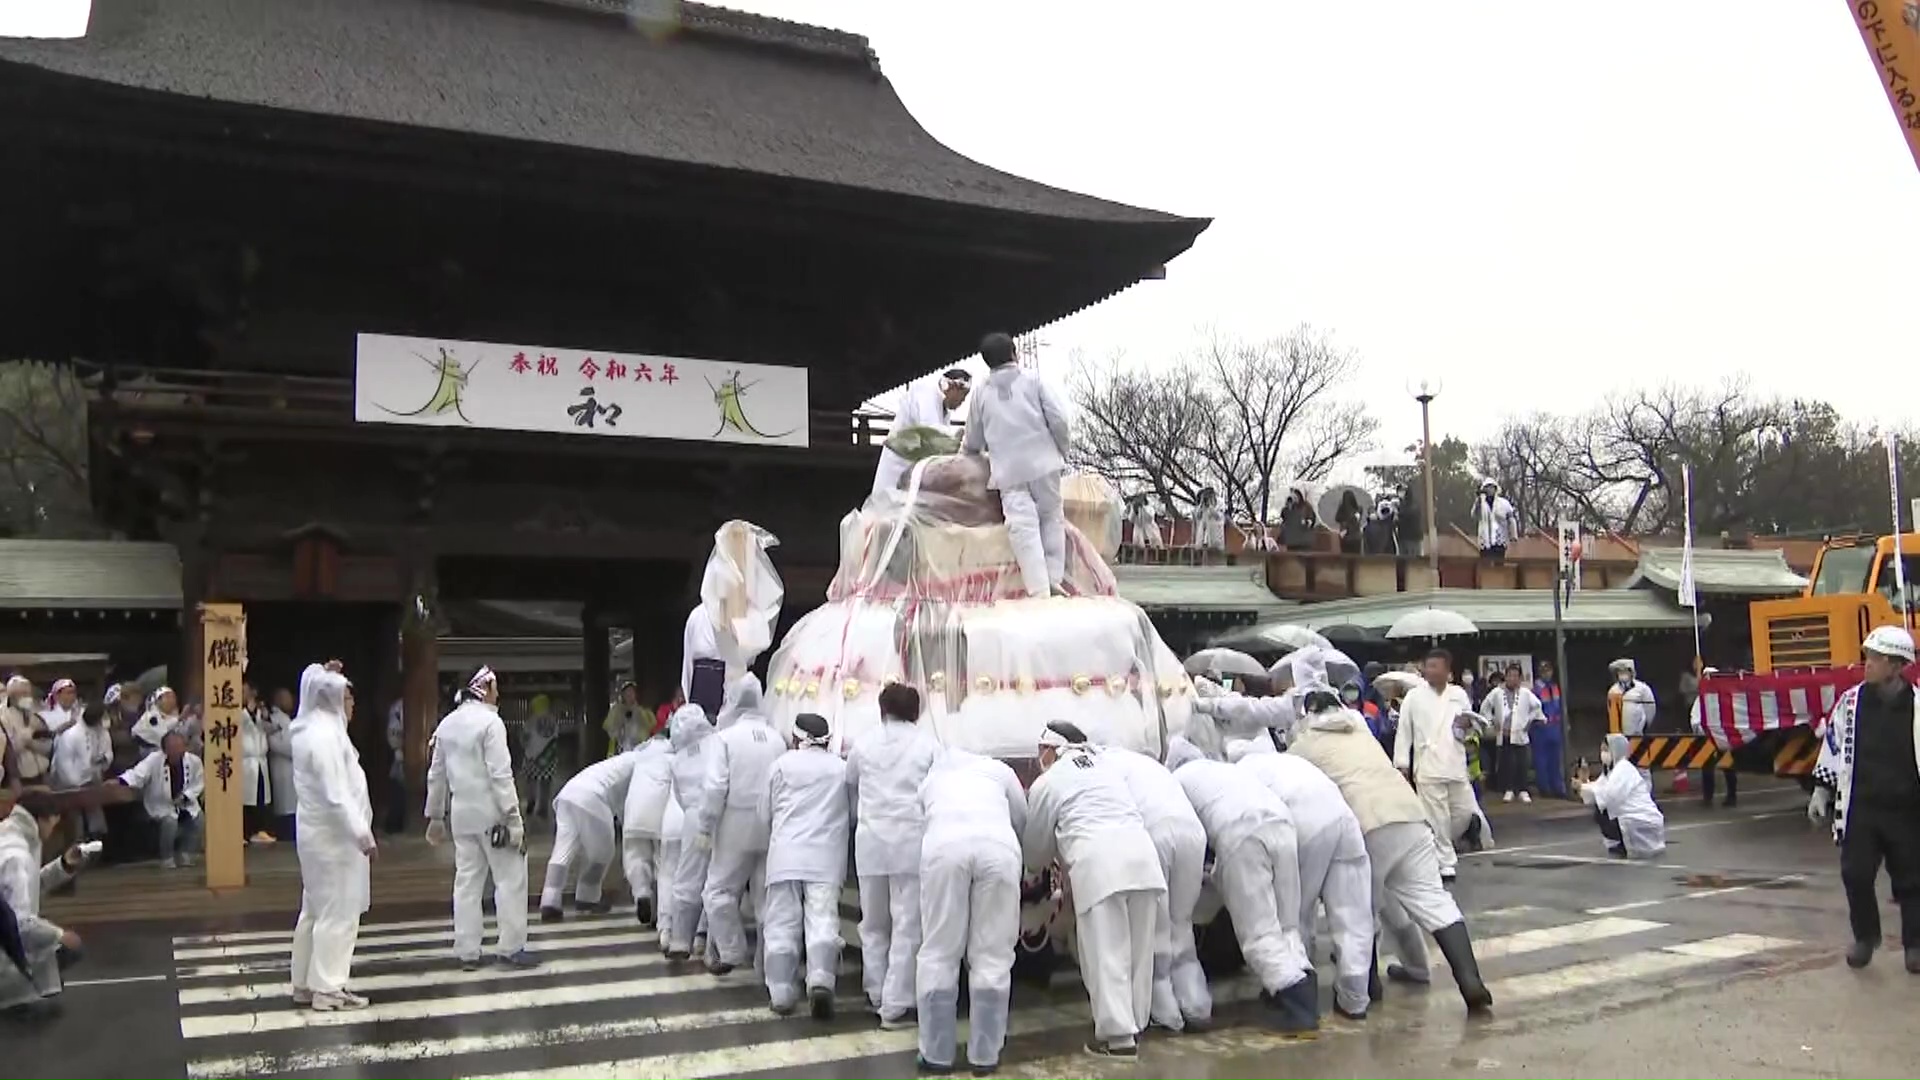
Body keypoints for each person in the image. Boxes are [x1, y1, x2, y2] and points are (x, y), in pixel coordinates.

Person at [1283, 686, 1494, 1013]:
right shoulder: (1360, 727)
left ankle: (1368, 988)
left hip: (1367, 823)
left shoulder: (1303, 745)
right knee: (1433, 901)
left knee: (1358, 911)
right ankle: (1471, 981)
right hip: (1410, 815)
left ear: (1307, 714)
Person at [1025, 724, 1165, 1059]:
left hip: (1100, 866)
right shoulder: (1108, 768)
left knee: (1106, 953)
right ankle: (1134, 1025)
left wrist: (1040, 864)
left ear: (1050, 749)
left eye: (1040, 749)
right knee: (1139, 953)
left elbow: (1035, 852)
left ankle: (1117, 1039)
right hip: (1144, 859)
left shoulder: (1050, 781)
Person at [1162, 736, 1316, 1034]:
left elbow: (1188, 840)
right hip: (1283, 825)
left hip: (1241, 834)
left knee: (1258, 934)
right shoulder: (1224, 770)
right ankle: (1303, 990)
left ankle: (1300, 1010)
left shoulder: (1176, 782)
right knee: (1286, 926)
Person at [1228, 737, 1375, 1021]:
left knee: (1294, 914)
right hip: (1343, 817)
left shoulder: (1241, 772)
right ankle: (1355, 998)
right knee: (1353, 913)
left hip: (1302, 819)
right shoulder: (1288, 761)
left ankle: (1295, 988)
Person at [1810, 625, 1920, 972]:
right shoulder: (1851, 702)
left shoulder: (1919, 706)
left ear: (1896, 665)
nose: (1867, 664)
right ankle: (1865, 937)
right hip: (1862, 807)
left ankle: (1915, 945)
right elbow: (1832, 744)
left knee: (1912, 880)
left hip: (1907, 809)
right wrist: (1820, 791)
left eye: (1875, 658)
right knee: (1855, 874)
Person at [916, 748, 1027, 1075]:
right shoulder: (1000, 771)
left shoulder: (932, 778)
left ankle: (936, 1054)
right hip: (999, 851)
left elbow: (922, 820)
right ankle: (985, 1055)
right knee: (992, 954)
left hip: (943, 850)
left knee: (939, 951)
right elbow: (1021, 816)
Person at [425, 666, 538, 970]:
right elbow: (500, 775)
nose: (498, 695)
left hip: (461, 814)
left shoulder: (446, 725)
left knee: (467, 882)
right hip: (493, 813)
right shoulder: (491, 723)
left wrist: (435, 817)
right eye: (496, 688)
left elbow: (436, 776)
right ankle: (511, 946)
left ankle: (467, 950)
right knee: (510, 878)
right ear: (485, 687)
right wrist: (514, 818)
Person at [1096, 741, 1212, 1033]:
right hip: (1193, 833)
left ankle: (1166, 1012)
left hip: (1154, 832)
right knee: (1181, 921)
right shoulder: (1149, 764)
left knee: (1157, 928)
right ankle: (1197, 1004)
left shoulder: (1105, 765)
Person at [847, 682, 943, 1025]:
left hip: (870, 842)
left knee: (872, 923)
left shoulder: (863, 743)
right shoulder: (929, 746)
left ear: (882, 709)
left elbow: (851, 783)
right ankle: (897, 1000)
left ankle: (875, 990)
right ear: (915, 712)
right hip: (911, 842)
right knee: (907, 924)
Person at [289, 662, 375, 1011]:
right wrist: (362, 833)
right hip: (334, 837)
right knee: (338, 911)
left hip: (319, 834)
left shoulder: (311, 728)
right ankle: (328, 986)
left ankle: (304, 982)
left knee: (315, 908)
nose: (352, 703)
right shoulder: (324, 735)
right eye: (348, 695)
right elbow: (336, 792)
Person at [961, 332, 1071, 599]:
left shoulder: (981, 392)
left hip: (1008, 471)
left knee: (1023, 527)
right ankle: (1055, 578)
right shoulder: (1034, 380)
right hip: (1044, 463)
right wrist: (1061, 451)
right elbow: (1059, 419)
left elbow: (973, 439)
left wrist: (965, 454)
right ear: (1014, 352)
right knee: (1051, 519)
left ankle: (1039, 590)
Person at [760, 712, 850, 1018]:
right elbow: (851, 812)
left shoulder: (781, 765)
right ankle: (821, 980)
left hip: (785, 855)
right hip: (825, 857)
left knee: (781, 924)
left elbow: (765, 811)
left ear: (796, 738)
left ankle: (782, 993)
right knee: (823, 920)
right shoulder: (841, 768)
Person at [696, 675, 783, 976]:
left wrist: (705, 826)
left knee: (718, 890)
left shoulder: (725, 738)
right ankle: (768, 964)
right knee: (765, 898)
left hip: (734, 821)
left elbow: (714, 787)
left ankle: (732, 950)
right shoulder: (777, 738)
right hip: (770, 824)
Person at [0, 789, 90, 1015]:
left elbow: (28, 888)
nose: (53, 830)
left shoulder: (10, 837)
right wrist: (59, 935)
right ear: (41, 819)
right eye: (53, 823)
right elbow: (19, 924)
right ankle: (14, 989)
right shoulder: (16, 856)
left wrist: (64, 866)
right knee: (69, 946)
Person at [1394, 649, 1481, 881]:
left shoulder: (1459, 694)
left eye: (1435, 666)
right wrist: (1402, 763)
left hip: (1455, 762)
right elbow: (1404, 732)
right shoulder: (1414, 697)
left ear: (1446, 670)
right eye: (1427, 666)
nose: (1429, 671)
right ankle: (1445, 860)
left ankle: (1434, 843)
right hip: (1428, 764)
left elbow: (1467, 729)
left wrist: (1466, 725)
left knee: (1465, 812)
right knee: (1438, 815)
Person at [540, 731, 640, 921]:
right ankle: (588, 897)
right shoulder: (641, 765)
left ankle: (549, 900)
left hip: (568, 794)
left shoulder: (624, 761)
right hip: (592, 796)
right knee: (602, 852)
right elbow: (630, 805)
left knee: (563, 849)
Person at [663, 703, 716, 963]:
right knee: (716, 879)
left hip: (693, 819)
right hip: (721, 816)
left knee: (687, 876)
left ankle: (679, 939)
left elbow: (680, 798)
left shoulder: (678, 760)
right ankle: (704, 938)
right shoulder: (719, 744)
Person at [872, 368, 972, 499]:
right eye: (963, 396)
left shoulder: (944, 410)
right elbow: (932, 433)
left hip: (913, 471)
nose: (962, 402)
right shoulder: (926, 393)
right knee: (887, 506)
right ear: (953, 386)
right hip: (899, 465)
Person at [114, 730, 203, 868]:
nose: (177, 751)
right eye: (173, 748)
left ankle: (186, 853)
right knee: (170, 822)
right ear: (165, 749)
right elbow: (138, 774)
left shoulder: (194, 761)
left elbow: (199, 782)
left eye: (180, 747)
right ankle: (166, 857)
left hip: (185, 803)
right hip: (161, 804)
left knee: (199, 818)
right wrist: (120, 781)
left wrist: (186, 796)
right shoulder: (154, 759)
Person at [619, 721, 676, 928]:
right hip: (660, 812)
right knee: (664, 866)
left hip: (634, 809)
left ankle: (642, 893)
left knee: (635, 856)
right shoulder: (674, 755)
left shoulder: (640, 753)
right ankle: (663, 918)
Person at [1579, 734, 1666, 860]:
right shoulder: (1611, 771)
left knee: (1603, 810)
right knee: (1600, 810)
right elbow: (1598, 790)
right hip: (1632, 819)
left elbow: (1609, 796)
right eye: (1602, 750)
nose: (1603, 754)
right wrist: (1583, 783)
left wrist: (1582, 787)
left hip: (1641, 820)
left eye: (1606, 750)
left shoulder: (1624, 769)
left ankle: (1623, 843)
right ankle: (1620, 843)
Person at [1480, 664, 1544, 804]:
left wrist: (1529, 721)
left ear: (1520, 678)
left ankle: (1522, 790)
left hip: (1520, 733)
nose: (1512, 679)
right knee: (1506, 763)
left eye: (1515, 676)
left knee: (1522, 763)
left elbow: (1537, 707)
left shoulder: (1526, 693)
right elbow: (1485, 707)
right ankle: (1508, 790)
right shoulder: (1497, 692)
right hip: (1504, 733)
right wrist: (1491, 722)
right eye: (1509, 675)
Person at [50, 704, 112, 845]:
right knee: (75, 814)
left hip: (93, 778)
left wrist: (103, 760)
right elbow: (63, 763)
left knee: (95, 809)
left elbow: (107, 753)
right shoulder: (71, 735)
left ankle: (97, 840)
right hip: (71, 782)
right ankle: (77, 843)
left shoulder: (103, 732)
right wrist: (77, 783)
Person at [1690, 667, 1738, 808]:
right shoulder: (1701, 697)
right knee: (1707, 768)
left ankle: (1731, 796)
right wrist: (1701, 732)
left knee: (1728, 767)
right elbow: (1695, 718)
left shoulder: (1725, 696)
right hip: (1708, 738)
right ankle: (1707, 797)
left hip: (1724, 736)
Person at [241, 687, 277, 844]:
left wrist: (264, 715)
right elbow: (245, 724)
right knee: (245, 798)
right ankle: (243, 832)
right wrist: (249, 711)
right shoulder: (238, 712)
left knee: (260, 796)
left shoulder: (259, 711)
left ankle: (260, 830)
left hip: (260, 759)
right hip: (245, 761)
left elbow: (271, 728)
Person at [0, 679, 52, 788]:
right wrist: (26, 737)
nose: (28, 697)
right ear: (12, 695)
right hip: (20, 780)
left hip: (43, 775)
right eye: (23, 694)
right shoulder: (3, 717)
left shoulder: (34, 715)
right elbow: (8, 751)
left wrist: (31, 744)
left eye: (29, 693)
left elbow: (48, 744)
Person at [261, 688, 297, 839]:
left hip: (292, 770)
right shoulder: (273, 719)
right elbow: (274, 743)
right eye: (286, 698)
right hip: (281, 768)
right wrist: (297, 751)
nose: (290, 702)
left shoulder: (288, 719)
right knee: (284, 809)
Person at [1532, 659, 1567, 799]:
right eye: (1544, 671)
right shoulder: (1535, 690)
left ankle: (1557, 787)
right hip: (1540, 728)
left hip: (1555, 727)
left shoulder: (1555, 687)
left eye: (1549, 670)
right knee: (1541, 759)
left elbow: (1560, 707)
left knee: (1555, 759)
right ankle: (1544, 788)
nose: (1547, 673)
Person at [1609, 659, 1657, 736]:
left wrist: (1644, 725)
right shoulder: (1613, 690)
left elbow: (1650, 708)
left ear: (1632, 673)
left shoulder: (1643, 688)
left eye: (1625, 671)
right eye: (1620, 672)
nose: (1622, 674)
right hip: (1618, 734)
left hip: (1638, 732)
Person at [1472, 480, 1516, 560]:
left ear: (1495, 489)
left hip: (1500, 541)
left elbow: (1511, 520)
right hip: (1485, 542)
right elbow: (1474, 515)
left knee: (1498, 565)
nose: (1490, 489)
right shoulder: (1481, 504)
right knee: (1486, 566)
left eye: (1491, 487)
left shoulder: (1504, 503)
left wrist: (1513, 536)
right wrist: (1478, 500)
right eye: (1487, 487)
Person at [130, 686, 182, 753]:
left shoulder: (172, 713)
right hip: (147, 748)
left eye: (173, 697)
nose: (171, 700)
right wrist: (180, 718)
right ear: (158, 701)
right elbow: (162, 733)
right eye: (168, 697)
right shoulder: (152, 715)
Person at [383, 699, 407, 836]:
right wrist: (398, 749)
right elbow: (393, 731)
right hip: (399, 753)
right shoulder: (398, 707)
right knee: (398, 788)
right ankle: (393, 823)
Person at [605, 681, 648, 756]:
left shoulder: (641, 711)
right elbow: (612, 734)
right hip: (621, 749)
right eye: (627, 692)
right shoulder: (616, 711)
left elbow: (645, 730)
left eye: (632, 692)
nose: (629, 694)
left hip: (637, 749)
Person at [1278, 488, 1318, 552]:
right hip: (1291, 539)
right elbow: (1283, 520)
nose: (1295, 497)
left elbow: (1312, 520)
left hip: (1303, 540)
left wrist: (1306, 522)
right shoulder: (1288, 508)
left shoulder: (1306, 507)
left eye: (1297, 495)